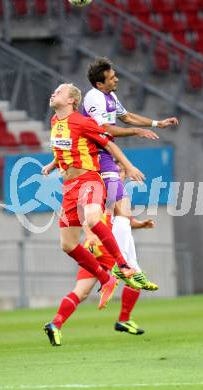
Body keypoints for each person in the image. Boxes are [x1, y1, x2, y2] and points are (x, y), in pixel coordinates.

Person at [42, 83, 146, 345]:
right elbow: (63, 149)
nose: (54, 93)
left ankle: (121, 267)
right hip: (69, 187)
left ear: (72, 101)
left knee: (92, 219)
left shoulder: (83, 122)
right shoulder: (56, 120)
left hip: (89, 180)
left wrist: (128, 166)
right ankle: (106, 279)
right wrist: (53, 164)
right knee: (66, 244)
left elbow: (109, 145)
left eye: (59, 91)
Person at [83, 57, 178, 289]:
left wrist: (157, 123)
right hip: (94, 158)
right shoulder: (94, 98)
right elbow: (103, 130)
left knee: (122, 212)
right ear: (99, 83)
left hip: (105, 156)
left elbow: (126, 117)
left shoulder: (110, 97)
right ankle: (124, 265)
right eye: (111, 76)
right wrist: (135, 131)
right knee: (115, 211)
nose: (116, 78)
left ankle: (129, 267)